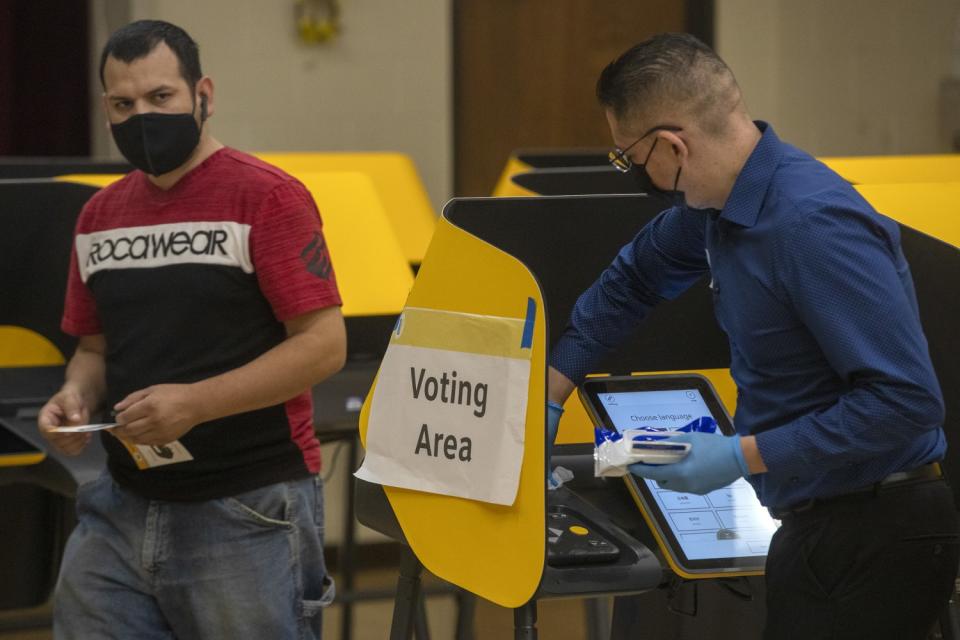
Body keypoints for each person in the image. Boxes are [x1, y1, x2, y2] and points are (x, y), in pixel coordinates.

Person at [546, 33, 958, 639]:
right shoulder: (721, 211)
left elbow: (906, 402)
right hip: (813, 523)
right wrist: (553, 392)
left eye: (629, 159)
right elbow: (633, 280)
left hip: (876, 530)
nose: (636, 174)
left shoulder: (809, 226)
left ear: (670, 145)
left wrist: (739, 455)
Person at [37, 20, 345, 639]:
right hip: (120, 500)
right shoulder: (99, 214)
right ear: (105, 110)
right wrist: (74, 396)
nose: (142, 117)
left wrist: (196, 403)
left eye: (161, 98)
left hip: (247, 503)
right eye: (124, 105)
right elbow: (93, 348)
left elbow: (323, 345)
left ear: (203, 94)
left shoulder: (268, 197)